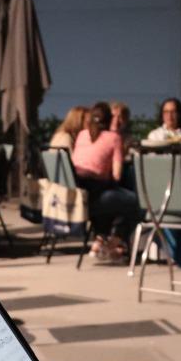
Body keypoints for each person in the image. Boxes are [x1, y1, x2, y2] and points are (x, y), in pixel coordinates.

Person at [72, 101, 137, 261]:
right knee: (136, 202)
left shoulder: (81, 135)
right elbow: (116, 176)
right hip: (96, 198)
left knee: (114, 198)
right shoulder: (114, 138)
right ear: (108, 120)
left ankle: (99, 241)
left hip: (78, 198)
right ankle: (113, 244)